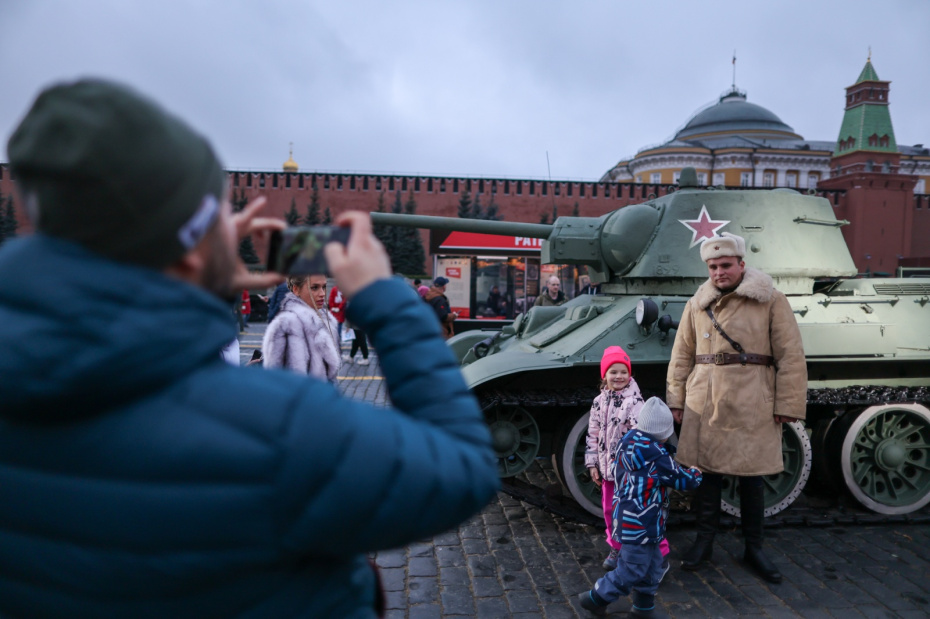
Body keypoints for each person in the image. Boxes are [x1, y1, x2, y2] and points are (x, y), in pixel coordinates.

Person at [0, 78, 499, 618]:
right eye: (213, 210)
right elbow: (462, 469)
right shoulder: (273, 426)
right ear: (187, 245)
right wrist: (387, 299)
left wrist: (201, 279)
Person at [666, 232, 807, 584]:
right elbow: (682, 354)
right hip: (706, 400)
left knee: (751, 480)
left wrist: (787, 403)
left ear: (742, 264)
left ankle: (754, 547)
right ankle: (704, 541)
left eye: (725, 265)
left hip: (752, 399)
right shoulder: (697, 304)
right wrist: (676, 400)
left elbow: (791, 355)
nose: (718, 272)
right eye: (712, 266)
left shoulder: (772, 300)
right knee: (707, 476)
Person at [579, 398, 702, 618]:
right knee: (632, 569)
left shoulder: (627, 441)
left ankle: (643, 608)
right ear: (664, 432)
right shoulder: (657, 457)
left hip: (632, 520)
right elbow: (683, 481)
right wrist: (695, 472)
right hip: (640, 525)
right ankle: (595, 598)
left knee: (653, 566)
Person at [585, 346, 670, 572]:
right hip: (608, 471)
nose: (619, 376)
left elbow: (642, 438)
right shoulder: (598, 401)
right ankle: (617, 546)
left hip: (630, 474)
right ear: (605, 375)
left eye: (623, 371)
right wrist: (592, 463)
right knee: (610, 511)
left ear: (630, 374)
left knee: (641, 512)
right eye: (613, 372)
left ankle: (661, 552)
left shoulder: (635, 403)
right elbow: (592, 433)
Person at [262, 273, 341, 382]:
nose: (322, 293)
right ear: (296, 290)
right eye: (314, 288)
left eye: (324, 287)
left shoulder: (328, 321)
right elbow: (276, 379)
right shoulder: (286, 324)